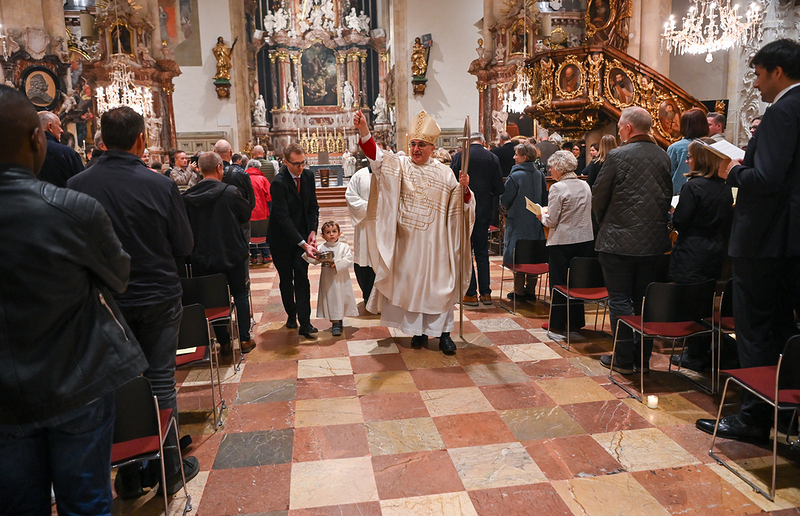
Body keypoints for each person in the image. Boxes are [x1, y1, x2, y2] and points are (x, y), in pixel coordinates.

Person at [0, 85, 147, 516]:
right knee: (86, 503)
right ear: (36, 138)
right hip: (75, 378)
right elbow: (119, 276)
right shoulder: (72, 209)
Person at [67, 106, 197, 499]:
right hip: (158, 295)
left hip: (107, 300)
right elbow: (185, 245)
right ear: (141, 139)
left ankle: (126, 478)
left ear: (101, 139)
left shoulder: (76, 184)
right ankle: (170, 471)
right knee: (161, 382)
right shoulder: (160, 185)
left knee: (118, 383)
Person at [696, 39, 800, 441]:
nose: (755, 84)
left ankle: (754, 419)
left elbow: (766, 180)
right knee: (783, 329)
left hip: (765, 241)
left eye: (757, 74)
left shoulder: (782, 112)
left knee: (756, 330)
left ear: (777, 71)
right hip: (789, 240)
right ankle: (785, 413)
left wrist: (732, 172)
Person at [354, 109, 474, 355]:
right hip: (407, 243)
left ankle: (444, 336)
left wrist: (465, 191)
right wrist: (364, 130)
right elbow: (375, 157)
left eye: (421, 144)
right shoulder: (399, 165)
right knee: (412, 289)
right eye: (412, 144)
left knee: (439, 289)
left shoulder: (445, 172)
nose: (415, 149)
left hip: (436, 244)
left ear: (432, 147)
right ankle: (418, 332)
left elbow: (460, 208)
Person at [593, 106, 672, 374]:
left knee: (619, 299)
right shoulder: (663, 156)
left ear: (627, 129)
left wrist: (605, 224)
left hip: (618, 241)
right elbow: (666, 196)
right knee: (643, 300)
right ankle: (642, 359)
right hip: (652, 243)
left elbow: (599, 197)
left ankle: (624, 359)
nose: (619, 132)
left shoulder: (617, 155)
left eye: (619, 128)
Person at [668, 138, 733, 371]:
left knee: (690, 303)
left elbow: (681, 221)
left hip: (692, 250)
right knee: (705, 302)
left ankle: (694, 354)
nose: (687, 160)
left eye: (691, 157)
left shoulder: (693, 187)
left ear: (702, 159)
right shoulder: (724, 187)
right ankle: (704, 350)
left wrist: (674, 215)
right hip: (715, 249)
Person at [183, 152, 256, 354]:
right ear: (218, 168)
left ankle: (223, 341)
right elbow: (245, 215)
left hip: (202, 257)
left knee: (211, 299)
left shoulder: (188, 197)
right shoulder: (231, 192)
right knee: (240, 294)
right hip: (231, 253)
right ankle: (245, 340)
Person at [267, 142, 320, 337]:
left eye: (303, 163)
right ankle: (291, 314)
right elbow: (282, 217)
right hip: (281, 239)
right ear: (286, 162)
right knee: (286, 279)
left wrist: (313, 231)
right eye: (296, 164)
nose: (301, 168)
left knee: (302, 278)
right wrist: (303, 242)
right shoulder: (278, 183)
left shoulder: (308, 176)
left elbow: (313, 206)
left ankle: (305, 322)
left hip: (302, 237)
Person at [538, 150, 594, 333]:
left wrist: (541, 215)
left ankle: (557, 323)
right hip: (585, 240)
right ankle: (576, 322)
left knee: (559, 283)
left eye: (551, 167)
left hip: (562, 242)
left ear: (560, 168)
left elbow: (552, 220)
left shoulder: (557, 188)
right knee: (576, 282)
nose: (550, 171)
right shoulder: (585, 185)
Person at [451, 132, 505, 307]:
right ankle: (486, 293)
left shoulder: (459, 156)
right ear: (483, 141)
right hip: (484, 210)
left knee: (466, 251)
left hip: (464, 209)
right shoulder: (492, 158)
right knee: (482, 251)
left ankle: (471, 293)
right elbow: (499, 187)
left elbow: (451, 184)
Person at [500, 142, 548, 301]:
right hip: (535, 221)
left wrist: (503, 206)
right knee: (532, 254)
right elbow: (543, 198)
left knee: (518, 255)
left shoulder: (516, 176)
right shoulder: (539, 174)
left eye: (516, 155)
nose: (513, 157)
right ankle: (531, 291)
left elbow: (506, 199)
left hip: (518, 221)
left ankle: (519, 292)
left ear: (524, 157)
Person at [303, 220, 358, 336]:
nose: (331, 234)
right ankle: (335, 323)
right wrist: (309, 252)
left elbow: (348, 259)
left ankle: (339, 319)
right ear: (323, 236)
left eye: (334, 231)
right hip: (328, 280)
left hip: (341, 277)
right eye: (328, 232)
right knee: (332, 298)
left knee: (341, 297)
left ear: (339, 233)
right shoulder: (321, 248)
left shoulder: (344, 247)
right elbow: (314, 260)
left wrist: (337, 265)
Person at [345, 151, 376, 303]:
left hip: (385, 227)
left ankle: (384, 299)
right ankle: (367, 295)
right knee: (364, 260)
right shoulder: (359, 175)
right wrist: (370, 208)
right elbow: (350, 196)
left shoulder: (390, 177)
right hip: (365, 226)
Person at [667, 108, 710, 195]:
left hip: (680, 193)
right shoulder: (713, 146)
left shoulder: (676, 148)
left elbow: (668, 174)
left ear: (684, 126)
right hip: (708, 193)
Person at [37, 111, 83, 187]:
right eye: (59, 126)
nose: (62, 130)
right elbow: (81, 184)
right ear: (50, 127)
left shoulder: (25, 152)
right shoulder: (67, 153)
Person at [245, 158, 272, 264]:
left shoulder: (243, 178)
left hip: (248, 212)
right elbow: (269, 197)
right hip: (261, 211)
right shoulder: (262, 179)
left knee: (251, 235)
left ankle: (254, 256)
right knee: (262, 235)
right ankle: (266, 256)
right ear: (258, 168)